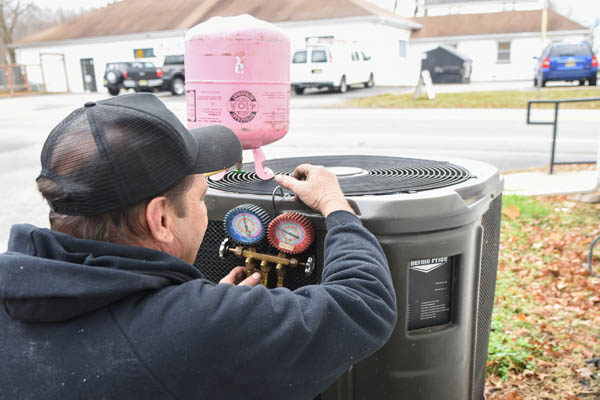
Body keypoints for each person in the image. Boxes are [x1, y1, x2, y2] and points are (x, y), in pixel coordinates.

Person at [0, 93, 397, 400]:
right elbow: (364, 306)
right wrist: (335, 205)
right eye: (200, 198)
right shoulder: (199, 331)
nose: (204, 209)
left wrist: (203, 311)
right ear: (160, 220)